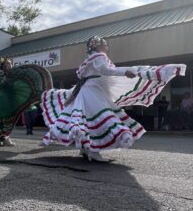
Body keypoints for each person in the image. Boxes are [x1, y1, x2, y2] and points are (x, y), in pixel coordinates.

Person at [40, 36, 186, 162]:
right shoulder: (99, 57)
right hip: (92, 91)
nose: (107, 46)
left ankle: (86, 149)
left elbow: (94, 74)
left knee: (88, 119)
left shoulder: (90, 59)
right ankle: (92, 151)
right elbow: (106, 71)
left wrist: (123, 73)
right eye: (105, 44)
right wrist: (125, 72)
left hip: (88, 89)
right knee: (100, 118)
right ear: (98, 45)